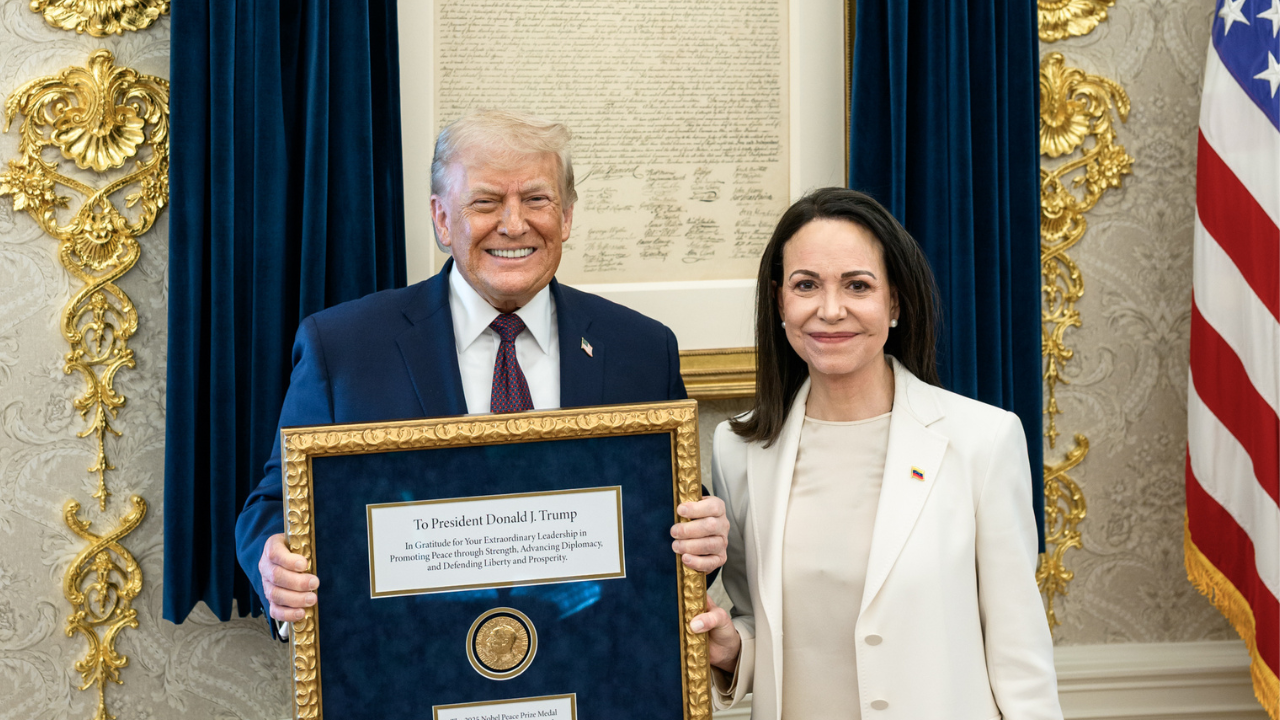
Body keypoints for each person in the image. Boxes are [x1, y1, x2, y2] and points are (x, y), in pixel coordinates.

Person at [234, 110, 728, 627]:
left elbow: (670, 513)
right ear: (442, 219)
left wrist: (703, 537)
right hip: (409, 655)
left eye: (536, 200)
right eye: (486, 202)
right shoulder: (344, 348)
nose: (513, 224)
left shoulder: (641, 349)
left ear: (566, 216)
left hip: (593, 653)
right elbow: (276, 503)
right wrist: (275, 563)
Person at [690, 188, 1061, 719]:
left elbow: (1020, 656)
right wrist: (733, 650)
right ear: (779, 303)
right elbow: (761, 620)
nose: (830, 310)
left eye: (857, 285)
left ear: (896, 303)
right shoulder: (739, 448)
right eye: (806, 285)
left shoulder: (984, 440)